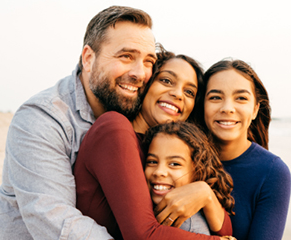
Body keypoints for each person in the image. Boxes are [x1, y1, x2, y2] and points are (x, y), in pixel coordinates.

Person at [0, 6, 158, 239]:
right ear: (88, 58)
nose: (140, 73)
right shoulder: (41, 118)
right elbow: (55, 220)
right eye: (126, 56)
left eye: (149, 61)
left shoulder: (133, 110)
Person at [73, 50, 235, 239]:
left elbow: (225, 229)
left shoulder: (164, 150)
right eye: (166, 81)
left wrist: (206, 194)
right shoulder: (115, 128)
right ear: (145, 84)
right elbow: (142, 235)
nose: (177, 94)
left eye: (189, 92)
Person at [194, 59, 291, 240]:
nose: (227, 108)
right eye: (215, 97)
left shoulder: (273, 173)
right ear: (202, 106)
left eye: (241, 98)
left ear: (255, 110)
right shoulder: (183, 159)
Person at [142, 121, 235, 235]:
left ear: (197, 171)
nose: (159, 171)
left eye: (174, 164)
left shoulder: (186, 225)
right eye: (152, 162)